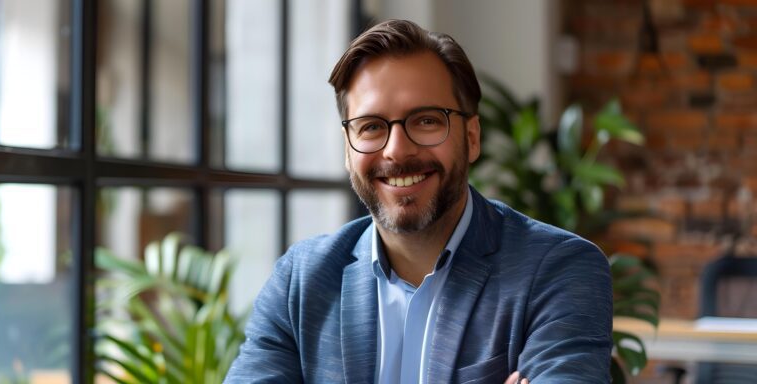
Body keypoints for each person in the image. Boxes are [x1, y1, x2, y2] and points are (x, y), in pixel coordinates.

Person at [225, 19, 612, 383]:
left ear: (471, 137)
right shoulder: (301, 281)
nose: (397, 151)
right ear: (348, 150)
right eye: (372, 127)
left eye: (426, 120)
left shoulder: (559, 270)